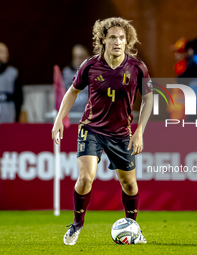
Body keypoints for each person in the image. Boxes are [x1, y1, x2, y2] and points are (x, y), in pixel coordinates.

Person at [51, 17, 153, 245]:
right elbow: (72, 92)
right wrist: (60, 119)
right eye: (113, 37)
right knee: (86, 178)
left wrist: (140, 132)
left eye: (122, 38)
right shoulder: (90, 65)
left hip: (121, 133)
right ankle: (77, 224)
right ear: (103, 40)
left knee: (129, 184)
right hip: (92, 128)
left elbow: (148, 98)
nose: (118, 42)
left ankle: (133, 227)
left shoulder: (138, 67)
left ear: (127, 41)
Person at [62, 45, 90, 120]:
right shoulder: (67, 73)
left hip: (88, 116)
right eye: (75, 57)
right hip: (70, 116)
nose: (77, 60)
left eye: (80, 57)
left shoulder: (95, 73)